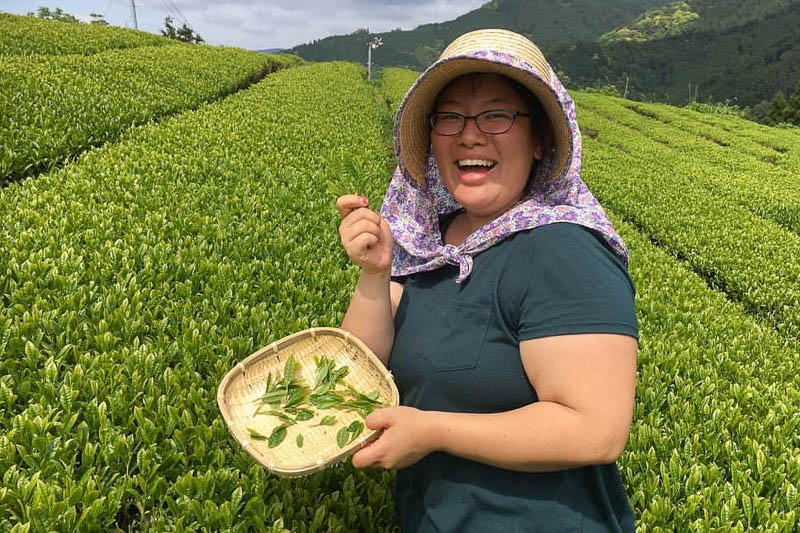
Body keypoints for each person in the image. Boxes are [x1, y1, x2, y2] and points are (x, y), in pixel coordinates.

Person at [336, 29, 638, 532]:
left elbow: (594, 430)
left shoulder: (563, 249)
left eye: (497, 115)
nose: (469, 134)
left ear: (539, 138)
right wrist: (375, 274)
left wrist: (431, 431)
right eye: (450, 117)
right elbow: (356, 370)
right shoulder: (428, 242)